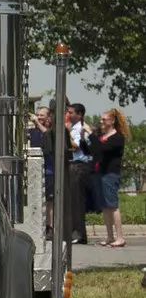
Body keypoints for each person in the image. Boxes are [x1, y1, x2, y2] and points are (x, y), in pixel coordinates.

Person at [92, 108, 130, 247]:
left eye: (104, 119)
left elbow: (103, 148)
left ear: (112, 121)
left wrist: (92, 135)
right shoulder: (103, 136)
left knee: (112, 205)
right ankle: (110, 236)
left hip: (110, 174)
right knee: (105, 207)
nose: (101, 121)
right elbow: (95, 150)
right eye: (101, 119)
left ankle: (120, 237)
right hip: (101, 173)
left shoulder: (117, 137)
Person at [65, 104, 94, 245]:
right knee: (72, 200)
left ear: (79, 114)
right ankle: (75, 231)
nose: (68, 114)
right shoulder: (74, 127)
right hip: (72, 165)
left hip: (79, 166)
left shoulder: (80, 129)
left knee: (77, 200)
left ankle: (79, 233)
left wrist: (68, 133)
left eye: (71, 112)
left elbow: (75, 146)